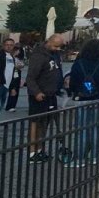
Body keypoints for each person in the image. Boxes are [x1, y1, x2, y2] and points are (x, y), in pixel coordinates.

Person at [65, 38, 99, 166]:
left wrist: (74, 91)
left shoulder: (78, 63)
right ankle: (94, 157)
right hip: (97, 98)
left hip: (81, 99)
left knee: (81, 129)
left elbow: (73, 81)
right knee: (95, 128)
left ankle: (79, 158)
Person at [26, 33, 65, 162]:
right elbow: (30, 77)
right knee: (35, 123)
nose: (58, 49)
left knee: (45, 123)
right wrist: (36, 92)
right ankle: (32, 152)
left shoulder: (55, 55)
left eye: (59, 47)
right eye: (56, 46)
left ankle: (40, 149)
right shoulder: (38, 56)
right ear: (49, 42)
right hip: (39, 95)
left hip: (51, 94)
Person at [0, 38, 20, 134]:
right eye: (7, 44)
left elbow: (12, 72)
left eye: (11, 45)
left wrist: (12, 87)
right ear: (3, 45)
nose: (9, 46)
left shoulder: (12, 57)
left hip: (6, 86)